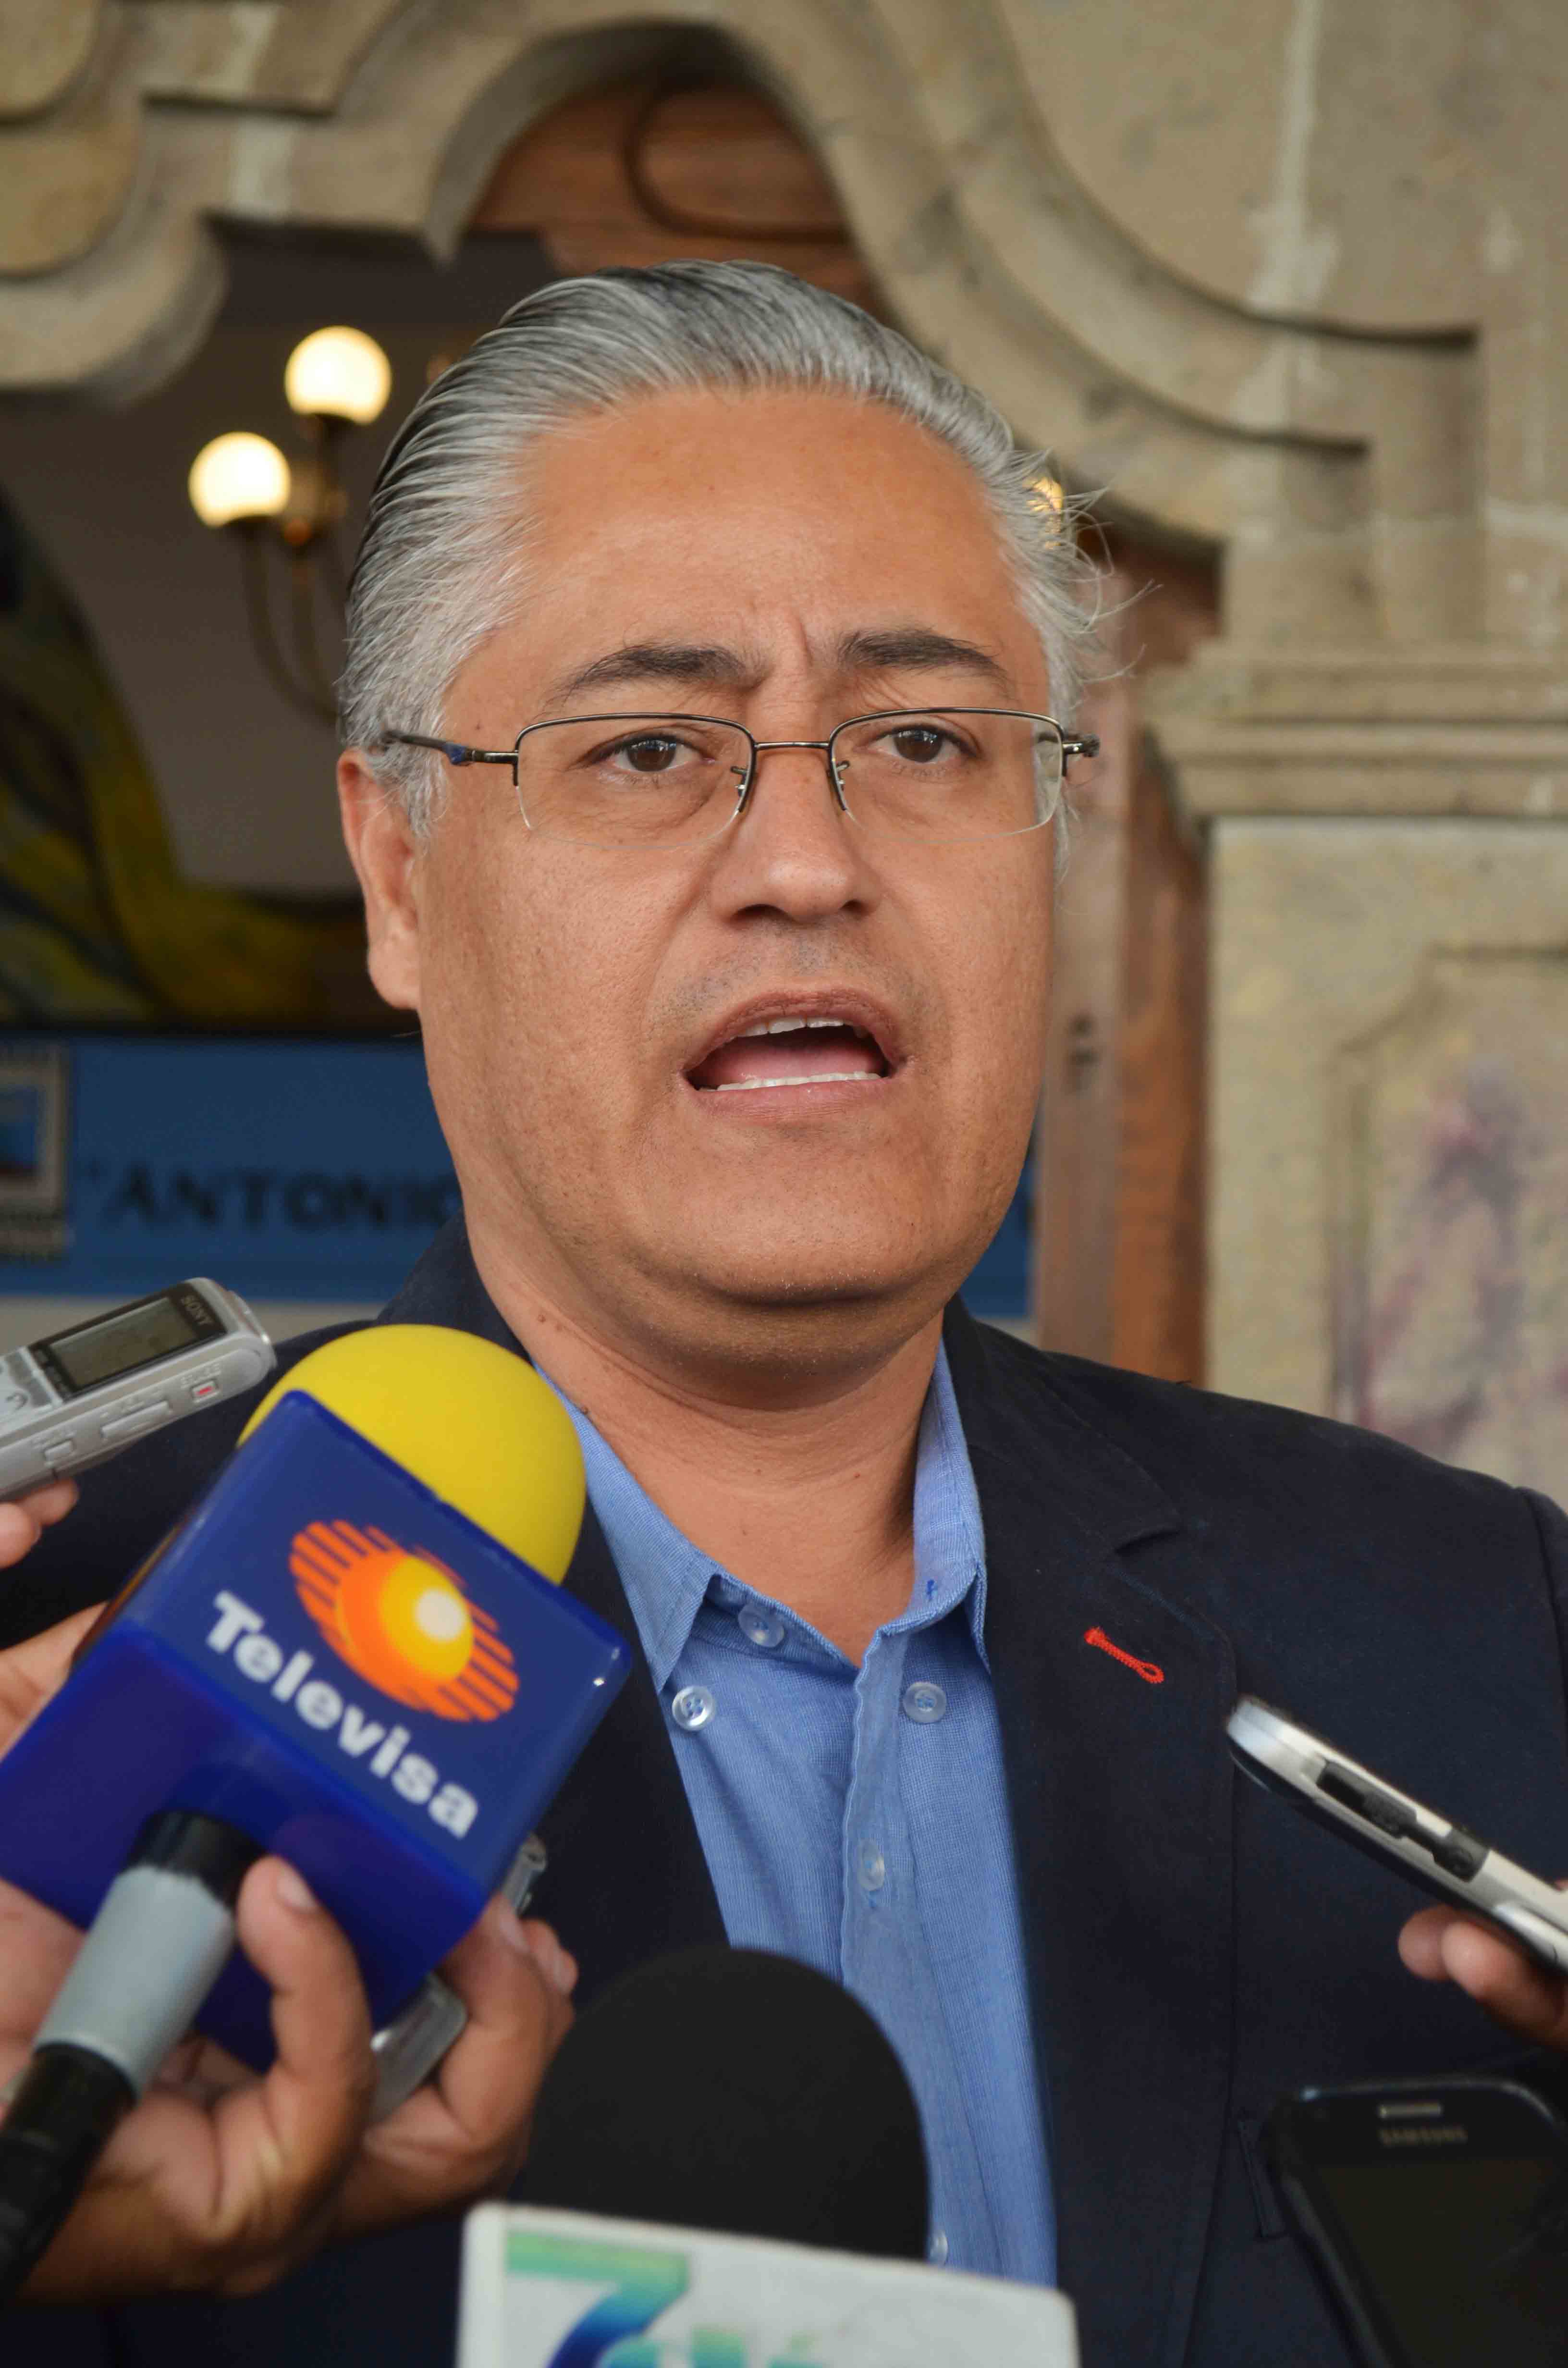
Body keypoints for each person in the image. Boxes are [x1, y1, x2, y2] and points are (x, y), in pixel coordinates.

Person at [1, 262, 1565, 2368]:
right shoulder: (71, 1643)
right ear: (400, 872)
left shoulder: (1473, 1639)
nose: (808, 862)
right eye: (652, 746)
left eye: (923, 739)